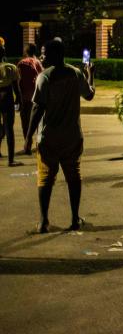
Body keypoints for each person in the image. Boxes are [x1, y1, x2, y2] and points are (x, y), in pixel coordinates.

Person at [25, 37, 95, 231]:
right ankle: (74, 219)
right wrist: (91, 75)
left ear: (57, 54)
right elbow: (89, 95)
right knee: (73, 176)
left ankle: (43, 221)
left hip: (48, 138)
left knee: (45, 178)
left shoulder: (44, 77)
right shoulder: (76, 74)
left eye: (45, 53)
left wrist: (28, 137)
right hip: (72, 137)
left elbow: (37, 110)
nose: (41, 56)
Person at [17, 44, 44, 155]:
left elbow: (18, 81)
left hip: (24, 97)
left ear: (26, 51)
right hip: (36, 97)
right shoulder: (38, 63)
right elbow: (42, 77)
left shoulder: (21, 63)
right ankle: (39, 145)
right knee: (38, 121)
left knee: (25, 122)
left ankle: (27, 145)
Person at [0, 45, 23, 166]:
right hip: (7, 98)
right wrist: (19, 100)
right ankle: (11, 160)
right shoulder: (10, 67)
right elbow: (16, 87)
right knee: (9, 129)